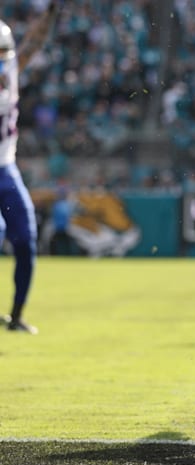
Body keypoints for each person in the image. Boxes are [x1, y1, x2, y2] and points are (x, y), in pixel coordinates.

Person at [0, 5, 58, 334]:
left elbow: (33, 43)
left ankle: (16, 316)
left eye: (3, 52)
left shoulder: (11, 67)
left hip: (5, 167)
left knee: (25, 238)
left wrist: (51, 13)